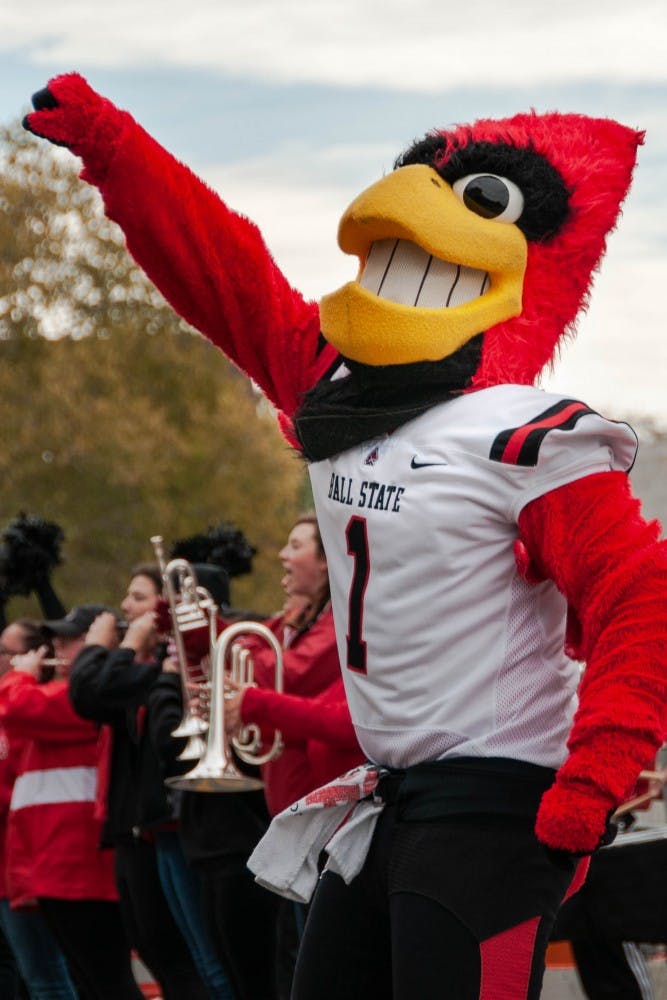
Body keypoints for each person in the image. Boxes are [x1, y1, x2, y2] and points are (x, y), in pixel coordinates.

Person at [23, 77, 667, 1000]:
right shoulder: (341, 391)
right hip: (391, 788)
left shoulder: (521, 431)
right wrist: (113, 149)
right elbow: (226, 276)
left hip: (493, 793)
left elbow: (635, 592)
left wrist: (598, 771)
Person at [151, 515, 344, 1000]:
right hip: (292, 814)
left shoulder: (339, 619)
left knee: (303, 970)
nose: (282, 555)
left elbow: (286, 671)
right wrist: (196, 628)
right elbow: (245, 649)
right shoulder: (295, 620)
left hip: (325, 820)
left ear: (326, 563)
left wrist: (232, 676)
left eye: (295, 545)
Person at [68, 564, 216, 1000]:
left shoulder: (163, 670)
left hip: (173, 826)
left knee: (196, 962)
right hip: (141, 827)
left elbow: (91, 688)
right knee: (159, 953)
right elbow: (90, 695)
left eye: (138, 597)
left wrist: (110, 646)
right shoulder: (149, 670)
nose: (125, 607)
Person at [0, 605, 143, 1000]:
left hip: (80, 865)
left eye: (69, 639)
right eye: (56, 640)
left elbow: (17, 706)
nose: (57, 648)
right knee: (87, 981)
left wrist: (19, 675)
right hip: (55, 863)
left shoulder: (86, 697)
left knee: (104, 981)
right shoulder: (64, 692)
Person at [0, 618, 79, 1000]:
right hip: (13, 865)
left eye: (7, 652)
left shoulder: (38, 703)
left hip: (31, 862)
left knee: (46, 977)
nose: (3, 660)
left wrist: (19, 679)